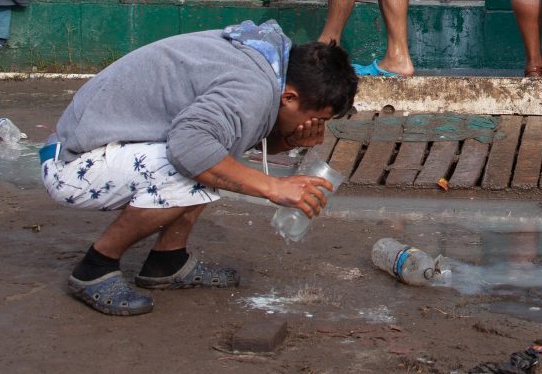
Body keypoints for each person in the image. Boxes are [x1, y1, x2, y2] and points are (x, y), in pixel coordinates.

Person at [39, 20, 358, 316]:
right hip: (72, 164)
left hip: (97, 144)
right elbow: (190, 148)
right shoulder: (254, 89)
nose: (316, 126)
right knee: (196, 162)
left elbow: (230, 137)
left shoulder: (269, 63)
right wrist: (272, 187)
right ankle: (95, 268)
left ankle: (167, 262)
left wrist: (288, 141)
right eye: (319, 118)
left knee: (213, 159)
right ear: (289, 96)